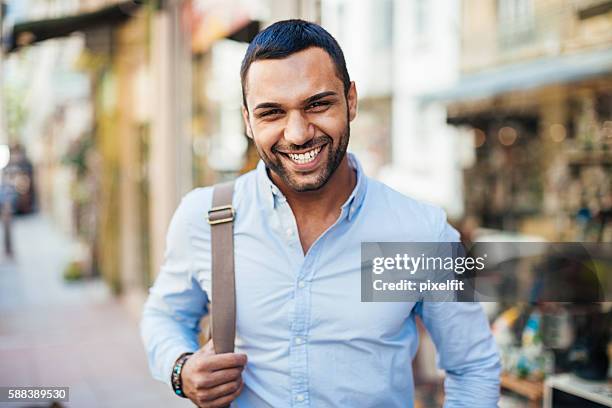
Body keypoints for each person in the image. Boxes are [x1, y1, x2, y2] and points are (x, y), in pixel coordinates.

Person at [141, 19, 501, 408]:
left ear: (351, 101)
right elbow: (163, 315)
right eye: (271, 113)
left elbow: (473, 365)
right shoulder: (205, 217)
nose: (297, 133)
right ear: (247, 121)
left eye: (317, 104)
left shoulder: (421, 231)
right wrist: (180, 369)